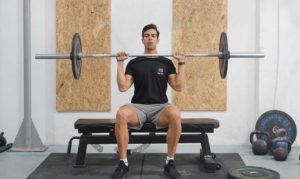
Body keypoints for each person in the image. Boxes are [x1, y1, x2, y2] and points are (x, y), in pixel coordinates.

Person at [112, 24, 185, 179]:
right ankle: (123, 163)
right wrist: (119, 63)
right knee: (121, 114)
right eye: (147, 35)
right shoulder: (134, 63)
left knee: (176, 114)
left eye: (153, 35)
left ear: (157, 40)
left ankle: (170, 162)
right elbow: (123, 87)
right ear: (142, 40)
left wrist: (181, 64)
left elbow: (178, 87)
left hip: (161, 107)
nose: (150, 38)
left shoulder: (166, 63)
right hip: (138, 106)